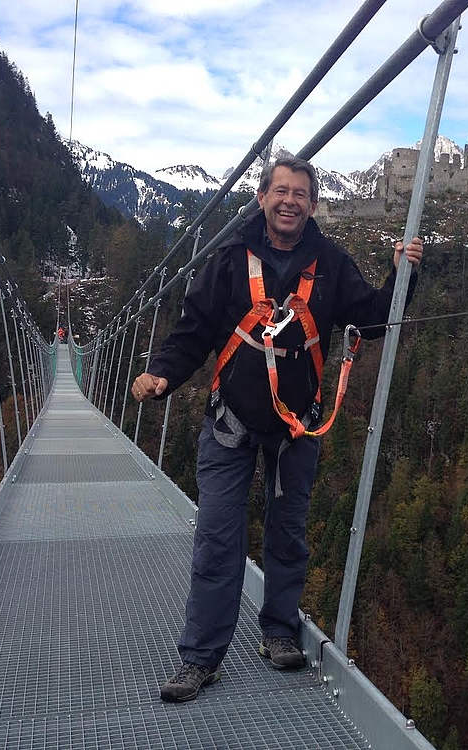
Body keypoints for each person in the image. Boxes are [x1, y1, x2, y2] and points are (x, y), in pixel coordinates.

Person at [131, 156, 423, 703]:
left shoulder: (332, 264)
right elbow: (193, 333)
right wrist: (162, 375)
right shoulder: (228, 261)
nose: (290, 201)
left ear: (312, 205)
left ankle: (279, 631)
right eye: (280, 191)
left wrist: (402, 274)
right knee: (219, 537)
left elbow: (373, 319)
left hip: (296, 430)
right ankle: (200, 658)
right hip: (231, 424)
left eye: (300, 194)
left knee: (287, 535)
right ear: (262, 197)